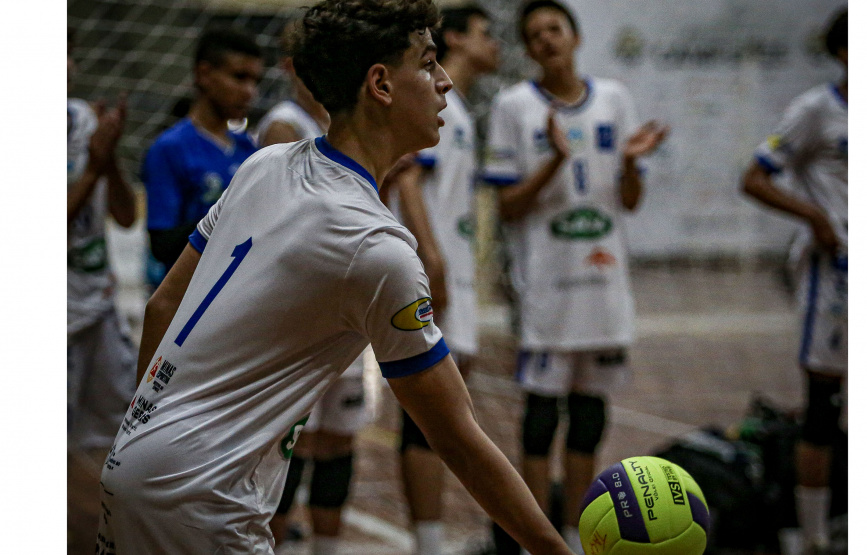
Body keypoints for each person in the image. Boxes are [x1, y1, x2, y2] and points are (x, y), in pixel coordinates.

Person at [96, 2, 575, 554]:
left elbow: (162, 308)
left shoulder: (263, 165)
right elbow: (457, 439)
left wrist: (147, 432)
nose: (445, 82)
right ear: (381, 84)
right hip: (202, 499)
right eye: (427, 63)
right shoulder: (378, 248)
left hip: (134, 459)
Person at [481, 1, 668, 553]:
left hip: (605, 289)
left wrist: (632, 164)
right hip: (546, 291)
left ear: (575, 36)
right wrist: (554, 161)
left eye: (553, 29)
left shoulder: (614, 98)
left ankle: (581, 537)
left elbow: (630, 203)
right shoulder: (513, 106)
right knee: (540, 421)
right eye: (533, 34)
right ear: (528, 48)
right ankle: (539, 538)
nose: (545, 40)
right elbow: (508, 207)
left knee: (589, 419)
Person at [383, 4, 500, 554]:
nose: (496, 43)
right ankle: (427, 542)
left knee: (451, 409)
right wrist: (431, 256)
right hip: (434, 270)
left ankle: (432, 537)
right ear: (454, 37)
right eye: (485, 33)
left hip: (452, 267)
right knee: (433, 408)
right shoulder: (437, 103)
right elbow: (406, 174)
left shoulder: (463, 110)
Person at [255, 22, 367, 555]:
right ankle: (278, 545)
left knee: (340, 438)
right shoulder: (283, 124)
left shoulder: (352, 124)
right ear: (292, 66)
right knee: (292, 444)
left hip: (345, 305)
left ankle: (327, 548)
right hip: (297, 312)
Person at [742, 9, 847, 555]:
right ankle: (811, 536)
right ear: (845, 52)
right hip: (836, 281)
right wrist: (816, 217)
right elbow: (754, 177)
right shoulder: (816, 111)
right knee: (823, 406)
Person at [67, 29, 137, 555]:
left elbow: (124, 213)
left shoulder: (82, 119)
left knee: (129, 435)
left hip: (99, 305)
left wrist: (109, 156)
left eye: (68, 53)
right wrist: (93, 164)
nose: (66, 65)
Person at [142, 26, 263, 278]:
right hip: (189, 298)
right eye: (240, 77)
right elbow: (162, 245)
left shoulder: (248, 147)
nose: (250, 91)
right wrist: (228, 213)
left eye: (255, 81)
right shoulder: (171, 147)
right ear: (204, 74)